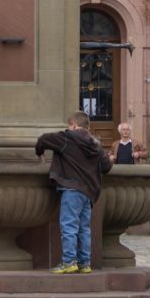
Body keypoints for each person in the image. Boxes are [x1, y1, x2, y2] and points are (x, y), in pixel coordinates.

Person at [35, 111, 112, 275]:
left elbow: (43, 139)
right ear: (87, 127)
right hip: (89, 192)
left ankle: (69, 262)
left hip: (71, 188)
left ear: (73, 125)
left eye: (69, 125)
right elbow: (106, 166)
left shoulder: (67, 138)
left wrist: (39, 152)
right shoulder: (95, 144)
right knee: (84, 228)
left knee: (69, 226)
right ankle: (85, 264)